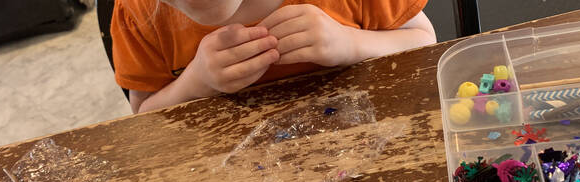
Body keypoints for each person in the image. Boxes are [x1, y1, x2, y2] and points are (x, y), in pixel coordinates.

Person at [111, 0, 437, 113]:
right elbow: (144, 110)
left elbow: (424, 40)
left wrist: (350, 43)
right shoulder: (138, 12)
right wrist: (195, 82)